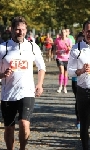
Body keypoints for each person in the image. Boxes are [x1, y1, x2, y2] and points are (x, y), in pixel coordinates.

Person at [0, 16, 46, 150]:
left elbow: (41, 67)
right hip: (8, 94)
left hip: (27, 91)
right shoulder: (3, 48)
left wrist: (39, 84)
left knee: (24, 123)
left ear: (26, 30)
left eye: (22, 29)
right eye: (17, 29)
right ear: (12, 30)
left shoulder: (32, 46)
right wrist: (2, 74)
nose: (20, 32)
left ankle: (22, 148)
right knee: (9, 128)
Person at [67, 20, 90, 150]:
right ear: (83, 32)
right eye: (88, 31)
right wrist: (80, 71)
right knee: (84, 124)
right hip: (83, 90)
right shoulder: (77, 48)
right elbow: (69, 71)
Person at [71, 32, 84, 129]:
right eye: (79, 41)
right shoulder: (75, 50)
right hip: (76, 80)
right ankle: (79, 119)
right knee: (78, 100)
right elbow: (71, 68)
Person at [54, 29, 72, 93]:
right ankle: (60, 86)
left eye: (64, 32)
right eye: (62, 32)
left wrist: (68, 47)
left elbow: (70, 49)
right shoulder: (57, 40)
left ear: (66, 33)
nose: (63, 34)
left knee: (65, 73)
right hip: (60, 58)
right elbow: (54, 46)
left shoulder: (69, 40)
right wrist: (55, 51)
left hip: (67, 58)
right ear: (60, 33)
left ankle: (65, 87)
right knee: (61, 72)